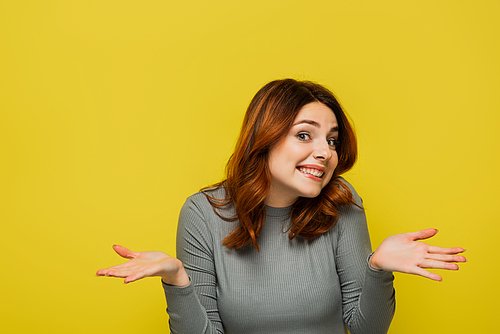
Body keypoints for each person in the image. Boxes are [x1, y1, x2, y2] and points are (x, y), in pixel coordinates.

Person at [96, 79, 467, 334]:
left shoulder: (343, 202)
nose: (325, 152)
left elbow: (366, 328)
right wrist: (177, 280)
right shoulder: (203, 212)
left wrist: (377, 268)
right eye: (304, 134)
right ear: (266, 137)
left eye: (332, 141)